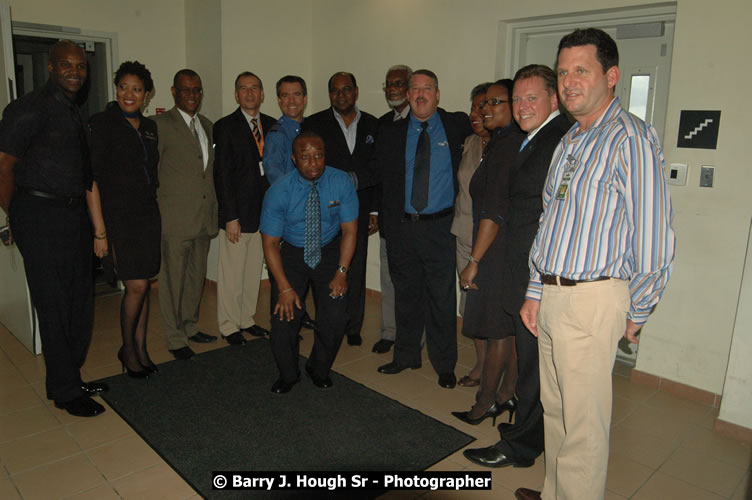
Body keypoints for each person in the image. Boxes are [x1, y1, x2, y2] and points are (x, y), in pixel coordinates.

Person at [514, 29, 675, 500]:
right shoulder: (570, 142)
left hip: (593, 298)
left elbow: (654, 236)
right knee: (557, 410)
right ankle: (554, 492)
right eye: (563, 72)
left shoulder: (632, 138)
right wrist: (536, 290)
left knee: (584, 429)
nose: (568, 81)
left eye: (580, 70)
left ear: (612, 76)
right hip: (554, 295)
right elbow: (552, 221)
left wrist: (637, 309)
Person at [462, 64, 571, 469]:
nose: (523, 106)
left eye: (532, 98)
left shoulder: (557, 140)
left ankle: (521, 446)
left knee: (535, 370)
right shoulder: (531, 139)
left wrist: (537, 284)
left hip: (537, 275)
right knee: (530, 367)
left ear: (554, 100)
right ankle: (525, 437)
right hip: (524, 270)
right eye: (519, 98)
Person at [0, 40, 107, 417]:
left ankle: (72, 377)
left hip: (72, 214)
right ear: (50, 67)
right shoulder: (27, 109)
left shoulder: (73, 110)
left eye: (80, 66)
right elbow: (3, 167)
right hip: (39, 213)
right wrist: (13, 215)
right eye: (67, 65)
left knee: (80, 301)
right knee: (54, 305)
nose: (75, 71)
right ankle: (64, 391)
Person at [374, 69, 472, 388]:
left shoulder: (457, 125)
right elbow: (382, 179)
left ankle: (445, 364)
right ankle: (406, 356)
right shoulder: (392, 132)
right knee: (406, 295)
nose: (419, 95)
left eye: (426, 89)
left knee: (441, 299)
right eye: (414, 89)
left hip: (440, 228)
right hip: (403, 227)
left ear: (437, 93)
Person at [260, 131, 358, 393]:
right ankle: (288, 375)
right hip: (290, 252)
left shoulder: (341, 182)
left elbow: (350, 231)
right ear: (294, 159)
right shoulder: (278, 191)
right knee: (284, 319)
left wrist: (341, 271)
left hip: (329, 251)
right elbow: (269, 244)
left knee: (336, 317)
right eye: (305, 157)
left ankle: (319, 367)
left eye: (318, 156)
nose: (313, 163)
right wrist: (284, 288)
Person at [451, 79, 524, 424]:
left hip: (495, 250)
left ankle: (486, 404)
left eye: (495, 103)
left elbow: (494, 212)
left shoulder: (507, 147)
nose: (485, 109)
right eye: (484, 103)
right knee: (506, 329)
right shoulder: (505, 143)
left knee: (496, 330)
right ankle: (506, 395)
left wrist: (473, 261)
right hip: (502, 248)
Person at [86, 61, 160, 378]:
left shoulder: (150, 127)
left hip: (147, 215)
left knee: (144, 286)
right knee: (136, 285)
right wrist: (100, 232)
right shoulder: (101, 123)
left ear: (146, 94)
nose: (129, 94)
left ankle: (141, 348)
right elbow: (91, 181)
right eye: (123, 87)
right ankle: (127, 349)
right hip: (118, 218)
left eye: (136, 89)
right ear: (116, 89)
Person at [302, 72, 378, 347]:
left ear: (356, 91)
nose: (341, 94)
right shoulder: (313, 124)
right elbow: (308, 165)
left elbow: (378, 167)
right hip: (324, 209)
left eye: (346, 89)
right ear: (329, 93)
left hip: (360, 207)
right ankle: (327, 322)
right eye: (335, 90)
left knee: (355, 267)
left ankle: (352, 325)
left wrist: (375, 211)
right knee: (324, 269)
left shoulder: (373, 124)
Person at [153, 69, 218, 360]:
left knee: (196, 277)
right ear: (174, 92)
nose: (192, 95)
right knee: (172, 280)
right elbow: (151, 174)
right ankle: (175, 336)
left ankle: (190, 326)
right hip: (174, 220)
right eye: (186, 90)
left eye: (197, 90)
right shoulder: (158, 125)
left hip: (203, 217)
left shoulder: (207, 125)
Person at [213, 71, 275, 345]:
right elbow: (222, 174)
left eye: (255, 88)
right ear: (237, 95)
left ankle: (246, 319)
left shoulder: (273, 126)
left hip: (265, 214)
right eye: (244, 89)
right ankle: (228, 325)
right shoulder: (225, 126)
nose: (250, 93)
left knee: (253, 272)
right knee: (232, 274)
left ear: (262, 94)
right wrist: (230, 216)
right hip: (237, 214)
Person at [450, 82, 493, 387]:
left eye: (482, 107)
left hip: (495, 241)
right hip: (465, 234)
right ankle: (481, 365)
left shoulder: (509, 146)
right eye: (473, 107)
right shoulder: (469, 142)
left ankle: (500, 366)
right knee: (471, 306)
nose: (474, 113)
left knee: (496, 308)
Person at [371, 64, 412, 355]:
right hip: (388, 217)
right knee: (388, 279)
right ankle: (389, 332)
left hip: (416, 221)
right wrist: (374, 211)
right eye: (389, 83)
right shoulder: (383, 124)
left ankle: (412, 337)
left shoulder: (425, 122)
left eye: (399, 82)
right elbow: (377, 173)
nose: (393, 88)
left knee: (413, 283)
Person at [263, 75, 308, 185]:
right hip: (291, 198)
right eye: (285, 95)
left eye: (296, 94)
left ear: (305, 99)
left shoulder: (314, 127)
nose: (291, 101)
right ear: (279, 100)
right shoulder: (276, 135)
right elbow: (276, 177)